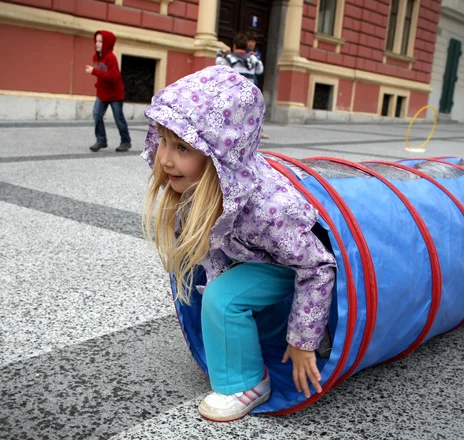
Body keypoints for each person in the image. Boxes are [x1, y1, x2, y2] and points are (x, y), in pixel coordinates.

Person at [141, 65, 336, 422]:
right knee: (217, 289)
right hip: (253, 253)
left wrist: (302, 340)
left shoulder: (269, 210)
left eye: (182, 147)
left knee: (224, 297)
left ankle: (249, 382)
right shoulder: (200, 184)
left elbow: (318, 265)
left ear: (221, 154)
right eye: (164, 141)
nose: (165, 159)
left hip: (287, 262)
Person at [86, 30, 131, 153]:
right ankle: (101, 140)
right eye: (96, 41)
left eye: (100, 41)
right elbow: (102, 76)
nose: (97, 43)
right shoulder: (96, 57)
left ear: (107, 43)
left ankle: (125, 141)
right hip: (102, 93)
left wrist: (94, 71)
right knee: (97, 115)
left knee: (118, 119)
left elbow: (113, 77)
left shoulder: (111, 58)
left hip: (115, 94)